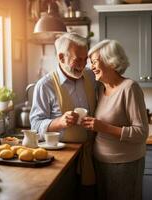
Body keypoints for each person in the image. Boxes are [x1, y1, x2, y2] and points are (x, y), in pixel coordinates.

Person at [81, 39, 148, 200]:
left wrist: (104, 127)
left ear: (111, 61)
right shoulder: (101, 89)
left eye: (95, 62)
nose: (92, 67)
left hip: (124, 165)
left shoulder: (130, 88)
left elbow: (141, 132)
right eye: (91, 63)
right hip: (100, 162)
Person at [30, 32, 97, 193]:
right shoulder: (44, 85)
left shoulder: (90, 75)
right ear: (61, 57)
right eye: (77, 59)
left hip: (92, 153)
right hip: (63, 160)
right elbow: (35, 125)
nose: (83, 65)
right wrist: (59, 122)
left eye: (85, 59)